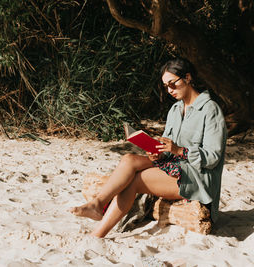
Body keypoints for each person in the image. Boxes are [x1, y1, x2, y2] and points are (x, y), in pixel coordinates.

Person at [69, 58, 227, 238]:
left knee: (135, 181)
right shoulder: (175, 109)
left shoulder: (210, 109)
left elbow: (213, 157)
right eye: (166, 86)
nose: (169, 90)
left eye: (172, 84)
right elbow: (167, 148)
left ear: (188, 78)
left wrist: (178, 150)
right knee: (129, 159)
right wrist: (156, 154)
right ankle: (98, 204)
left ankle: (97, 234)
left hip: (196, 177)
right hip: (172, 165)